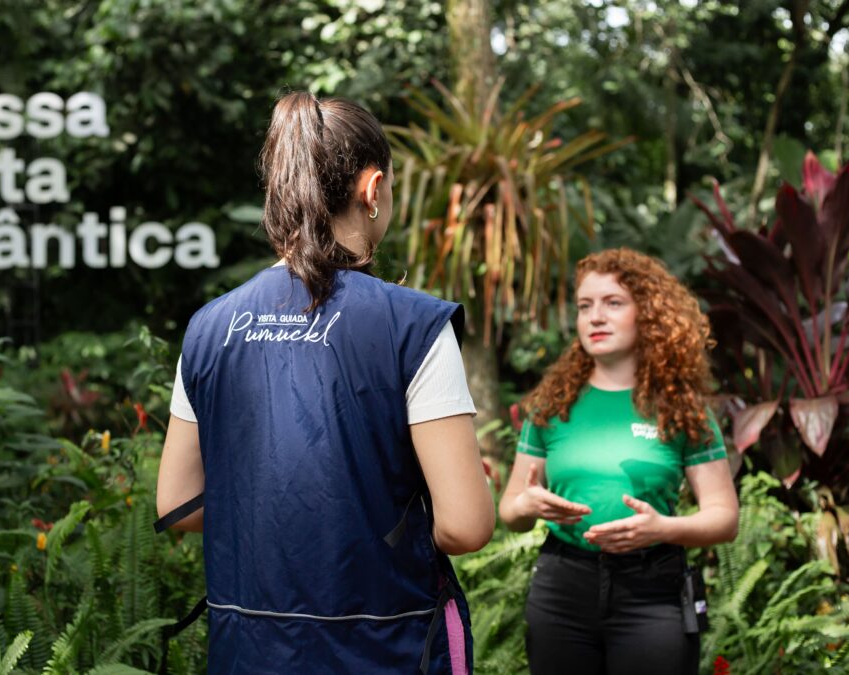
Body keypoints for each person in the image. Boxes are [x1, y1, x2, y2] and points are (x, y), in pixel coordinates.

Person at [156, 91, 495, 674]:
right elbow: (465, 527)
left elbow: (178, 504)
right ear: (373, 188)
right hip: (385, 648)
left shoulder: (210, 327)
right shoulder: (412, 325)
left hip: (248, 652)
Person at [499, 248, 739, 675]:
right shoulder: (552, 406)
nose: (595, 317)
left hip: (653, 592)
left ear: (646, 314)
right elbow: (511, 511)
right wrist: (529, 505)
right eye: (585, 306)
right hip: (562, 590)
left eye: (613, 303)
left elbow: (724, 518)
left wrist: (663, 529)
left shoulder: (682, 410)